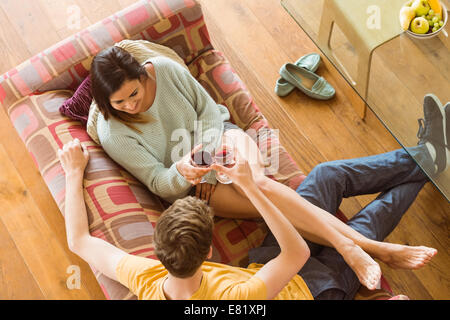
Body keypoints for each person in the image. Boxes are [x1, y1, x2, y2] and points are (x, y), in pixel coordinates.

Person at [88, 43, 437, 290]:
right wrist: (183, 172)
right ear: (106, 102)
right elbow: (157, 181)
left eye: (134, 94)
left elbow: (209, 113)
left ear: (144, 76)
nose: (131, 106)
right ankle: (374, 243)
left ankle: (357, 248)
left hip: (222, 139)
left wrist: (208, 160)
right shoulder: (113, 132)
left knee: (258, 183)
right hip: (197, 187)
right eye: (119, 102)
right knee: (263, 201)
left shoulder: (163, 71)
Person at [58, 138, 313, 300]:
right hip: (310, 288)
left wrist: (73, 172)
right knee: (327, 177)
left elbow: (78, 241)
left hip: (262, 269)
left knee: (323, 183)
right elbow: (298, 253)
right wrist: (251, 188)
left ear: (159, 251)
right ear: (209, 252)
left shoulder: (147, 280)